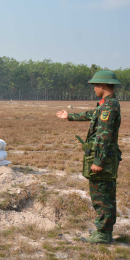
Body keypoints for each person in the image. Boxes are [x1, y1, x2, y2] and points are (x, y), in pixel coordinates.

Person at [56, 70, 122, 244]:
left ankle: (103, 233)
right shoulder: (105, 105)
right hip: (105, 157)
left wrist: (98, 161)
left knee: (103, 196)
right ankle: (103, 230)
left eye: (95, 85)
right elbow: (91, 115)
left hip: (104, 159)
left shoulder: (108, 107)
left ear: (102, 85)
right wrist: (69, 116)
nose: (93, 88)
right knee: (102, 194)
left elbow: (104, 136)